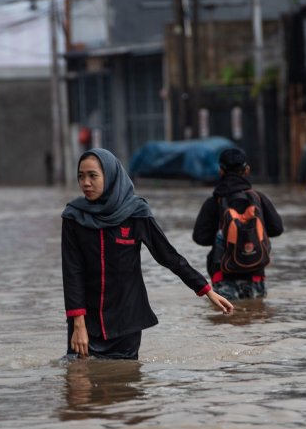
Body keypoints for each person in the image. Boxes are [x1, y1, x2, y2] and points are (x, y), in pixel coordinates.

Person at [62, 148, 234, 360]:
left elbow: (168, 256)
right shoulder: (73, 217)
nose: (86, 183)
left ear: (110, 175)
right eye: (81, 176)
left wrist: (206, 290)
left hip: (127, 321)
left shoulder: (136, 213)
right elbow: (72, 273)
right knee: (78, 384)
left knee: (124, 384)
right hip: (85, 323)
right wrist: (78, 323)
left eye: (93, 176)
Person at [192, 148, 284, 300]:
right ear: (246, 170)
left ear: (221, 171)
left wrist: (225, 236)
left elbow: (200, 238)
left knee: (227, 317)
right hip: (255, 271)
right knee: (255, 315)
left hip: (222, 273)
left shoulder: (213, 202)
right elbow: (277, 229)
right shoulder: (258, 198)